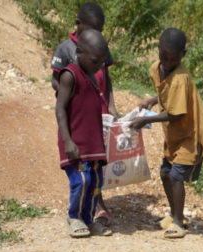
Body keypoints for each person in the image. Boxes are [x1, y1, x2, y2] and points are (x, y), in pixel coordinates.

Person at [131, 28, 203, 239]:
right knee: (165, 173)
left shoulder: (180, 78)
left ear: (183, 55)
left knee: (176, 177)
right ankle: (175, 214)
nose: (168, 61)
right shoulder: (157, 69)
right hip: (175, 135)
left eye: (174, 58)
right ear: (157, 50)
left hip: (190, 134)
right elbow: (166, 94)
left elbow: (176, 113)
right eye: (164, 56)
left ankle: (178, 221)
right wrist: (153, 100)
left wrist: (147, 119)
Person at [50, 1, 118, 227]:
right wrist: (72, 94)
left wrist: (111, 105)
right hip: (77, 116)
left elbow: (106, 79)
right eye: (91, 31)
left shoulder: (98, 50)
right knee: (81, 173)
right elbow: (56, 82)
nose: (98, 66)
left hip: (95, 117)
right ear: (79, 24)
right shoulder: (66, 51)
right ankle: (77, 216)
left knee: (95, 171)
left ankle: (92, 212)